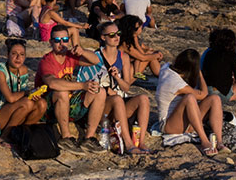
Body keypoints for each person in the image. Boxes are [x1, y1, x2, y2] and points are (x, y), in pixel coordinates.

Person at [37, 24, 108, 151]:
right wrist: (82, 85)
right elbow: (52, 83)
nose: (61, 44)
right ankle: (66, 137)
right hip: (47, 108)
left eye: (65, 40)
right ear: (51, 42)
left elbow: (95, 61)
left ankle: (89, 137)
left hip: (67, 104)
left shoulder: (70, 56)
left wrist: (83, 51)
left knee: (99, 91)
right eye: (57, 41)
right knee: (61, 91)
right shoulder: (46, 61)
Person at [94, 20, 153, 152]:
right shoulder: (96, 56)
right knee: (117, 99)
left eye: (118, 34)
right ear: (103, 37)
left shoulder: (123, 57)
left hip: (119, 101)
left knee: (143, 98)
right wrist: (107, 90)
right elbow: (91, 81)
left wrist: (117, 78)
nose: (116, 37)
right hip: (103, 105)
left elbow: (126, 87)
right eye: (112, 35)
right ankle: (128, 144)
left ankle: (141, 142)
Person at [156, 49, 225, 157]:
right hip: (169, 125)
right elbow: (203, 94)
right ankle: (204, 141)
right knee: (190, 98)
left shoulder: (167, 67)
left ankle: (219, 142)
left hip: (183, 119)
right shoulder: (175, 82)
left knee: (215, 99)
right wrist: (199, 73)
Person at [0, 38, 47, 141]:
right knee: (27, 103)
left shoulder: (23, 70)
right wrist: (27, 93)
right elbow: (11, 98)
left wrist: (33, 94)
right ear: (7, 55)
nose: (18, 58)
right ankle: (4, 137)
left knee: (42, 103)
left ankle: (23, 133)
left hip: (13, 109)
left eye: (22, 55)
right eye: (14, 54)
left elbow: (23, 94)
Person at [118, 14, 162, 80]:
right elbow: (142, 57)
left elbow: (143, 48)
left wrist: (155, 53)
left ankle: (163, 77)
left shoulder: (131, 39)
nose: (141, 28)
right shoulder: (125, 44)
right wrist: (157, 55)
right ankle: (164, 78)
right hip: (123, 76)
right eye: (139, 27)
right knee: (149, 56)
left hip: (127, 70)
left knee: (150, 54)